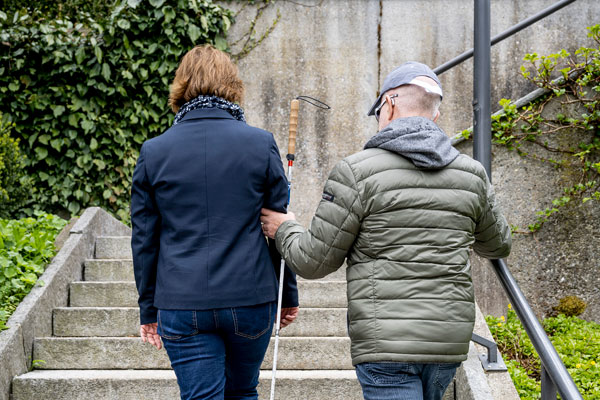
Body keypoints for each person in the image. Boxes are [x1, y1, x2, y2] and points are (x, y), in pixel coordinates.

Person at [260, 61, 511, 400]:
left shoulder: (356, 172)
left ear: (389, 104)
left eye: (378, 110)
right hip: (446, 343)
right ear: (434, 116)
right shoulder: (472, 174)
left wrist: (284, 228)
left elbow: (313, 261)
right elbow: (497, 245)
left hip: (385, 345)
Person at [131, 44, 299, 400]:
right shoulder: (260, 144)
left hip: (181, 299)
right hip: (250, 296)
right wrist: (287, 293)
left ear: (181, 86)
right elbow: (278, 225)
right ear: (232, 85)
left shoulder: (154, 151)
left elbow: (145, 239)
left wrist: (148, 308)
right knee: (242, 392)